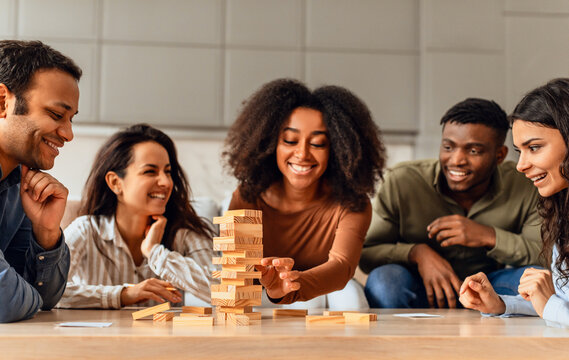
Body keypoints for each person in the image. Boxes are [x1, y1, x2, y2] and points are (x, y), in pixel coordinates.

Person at [360, 98, 542, 309]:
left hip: (490, 288)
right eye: (448, 147)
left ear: (499, 155)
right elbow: (367, 253)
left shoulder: (525, 184)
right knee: (384, 282)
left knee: (538, 280)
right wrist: (417, 254)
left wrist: (487, 236)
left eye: (473, 151)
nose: (456, 160)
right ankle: (398, 343)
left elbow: (543, 255)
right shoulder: (402, 181)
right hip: (418, 286)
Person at [223, 78, 385, 307]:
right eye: (290, 140)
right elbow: (239, 271)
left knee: (353, 300)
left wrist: (290, 285)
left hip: (321, 289)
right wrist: (271, 286)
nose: (302, 154)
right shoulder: (248, 196)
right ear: (270, 144)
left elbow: (341, 267)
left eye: (318, 144)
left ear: (338, 149)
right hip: (258, 294)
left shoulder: (352, 203)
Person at [57, 124, 215, 309]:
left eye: (168, 172)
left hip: (163, 338)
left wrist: (155, 252)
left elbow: (226, 291)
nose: (165, 182)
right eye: (150, 171)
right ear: (115, 182)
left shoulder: (184, 233)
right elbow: (47, 293)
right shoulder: (86, 230)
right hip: (97, 338)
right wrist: (122, 295)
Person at [460, 78, 569, 327]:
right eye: (521, 151)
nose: (521, 166)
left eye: (535, 147)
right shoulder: (562, 213)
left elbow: (554, 305)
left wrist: (549, 302)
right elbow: (560, 303)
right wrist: (501, 304)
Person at [0, 40, 82, 322]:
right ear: (3, 102)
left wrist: (46, 234)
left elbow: (47, 298)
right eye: (57, 115)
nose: (69, 134)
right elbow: (6, 304)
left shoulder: (19, 183)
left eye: (71, 119)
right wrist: (27, 296)